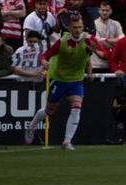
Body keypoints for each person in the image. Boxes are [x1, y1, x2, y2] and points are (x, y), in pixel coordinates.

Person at [22, 11, 94, 149]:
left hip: (76, 80)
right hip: (59, 78)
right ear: (69, 28)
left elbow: (88, 55)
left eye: (80, 27)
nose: (78, 30)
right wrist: (44, 63)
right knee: (49, 111)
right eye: (75, 27)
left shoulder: (88, 40)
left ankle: (67, 141)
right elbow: (45, 55)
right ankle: (31, 126)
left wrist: (90, 70)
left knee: (76, 108)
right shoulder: (62, 42)